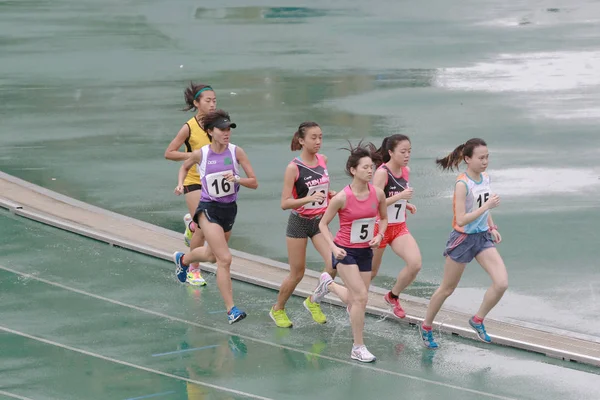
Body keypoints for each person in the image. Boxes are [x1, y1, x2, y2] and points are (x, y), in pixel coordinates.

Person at [419, 138, 506, 349]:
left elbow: (484, 210)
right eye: (481, 157)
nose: (485, 161)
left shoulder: (485, 177)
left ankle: (477, 320)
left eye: (487, 157)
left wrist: (492, 227)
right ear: (467, 159)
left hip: (482, 237)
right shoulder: (462, 184)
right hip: (462, 240)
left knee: (501, 283)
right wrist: (486, 206)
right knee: (447, 289)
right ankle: (426, 326)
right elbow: (461, 219)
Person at [172, 110, 258, 324]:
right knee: (225, 259)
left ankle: (182, 259)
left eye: (229, 129)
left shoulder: (237, 152)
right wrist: (181, 183)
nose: (226, 133)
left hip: (229, 210)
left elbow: (254, 182)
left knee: (211, 256)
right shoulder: (202, 154)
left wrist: (237, 179)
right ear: (211, 131)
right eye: (222, 129)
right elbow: (184, 167)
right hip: (208, 208)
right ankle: (231, 310)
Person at [310, 141, 388, 363]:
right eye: (365, 167)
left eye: (371, 167)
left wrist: (380, 236)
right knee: (361, 298)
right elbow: (323, 224)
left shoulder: (378, 194)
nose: (370, 171)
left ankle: (329, 285)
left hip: (366, 251)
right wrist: (333, 248)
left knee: (356, 301)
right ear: (353, 170)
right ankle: (357, 347)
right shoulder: (342, 197)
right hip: (345, 252)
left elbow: (383, 219)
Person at [270, 122, 337, 328]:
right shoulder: (294, 168)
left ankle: (313, 301)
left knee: (335, 261)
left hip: (319, 222)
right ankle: (277, 309)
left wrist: (329, 195)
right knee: (297, 273)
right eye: (313, 137)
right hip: (299, 223)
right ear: (301, 140)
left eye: (320, 137)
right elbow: (285, 203)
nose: (318, 142)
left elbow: (322, 188)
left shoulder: (323, 160)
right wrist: (307, 200)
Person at [164, 83, 217, 286]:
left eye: (214, 100)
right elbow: (169, 153)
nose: (212, 104)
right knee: (204, 228)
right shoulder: (189, 127)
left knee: (202, 225)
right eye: (207, 101)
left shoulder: (219, 123)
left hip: (214, 182)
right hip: (194, 182)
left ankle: (191, 224)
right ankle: (192, 269)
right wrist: (194, 156)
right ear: (196, 103)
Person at [371, 134, 422, 318]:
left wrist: (405, 204)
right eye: (403, 151)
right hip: (380, 228)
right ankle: (354, 298)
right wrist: (401, 197)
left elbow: (396, 196)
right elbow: (374, 203)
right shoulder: (382, 173)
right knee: (371, 272)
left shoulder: (405, 171)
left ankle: (393, 296)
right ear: (391, 152)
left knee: (415, 264)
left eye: (409, 151)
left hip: (399, 226)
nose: (407, 155)